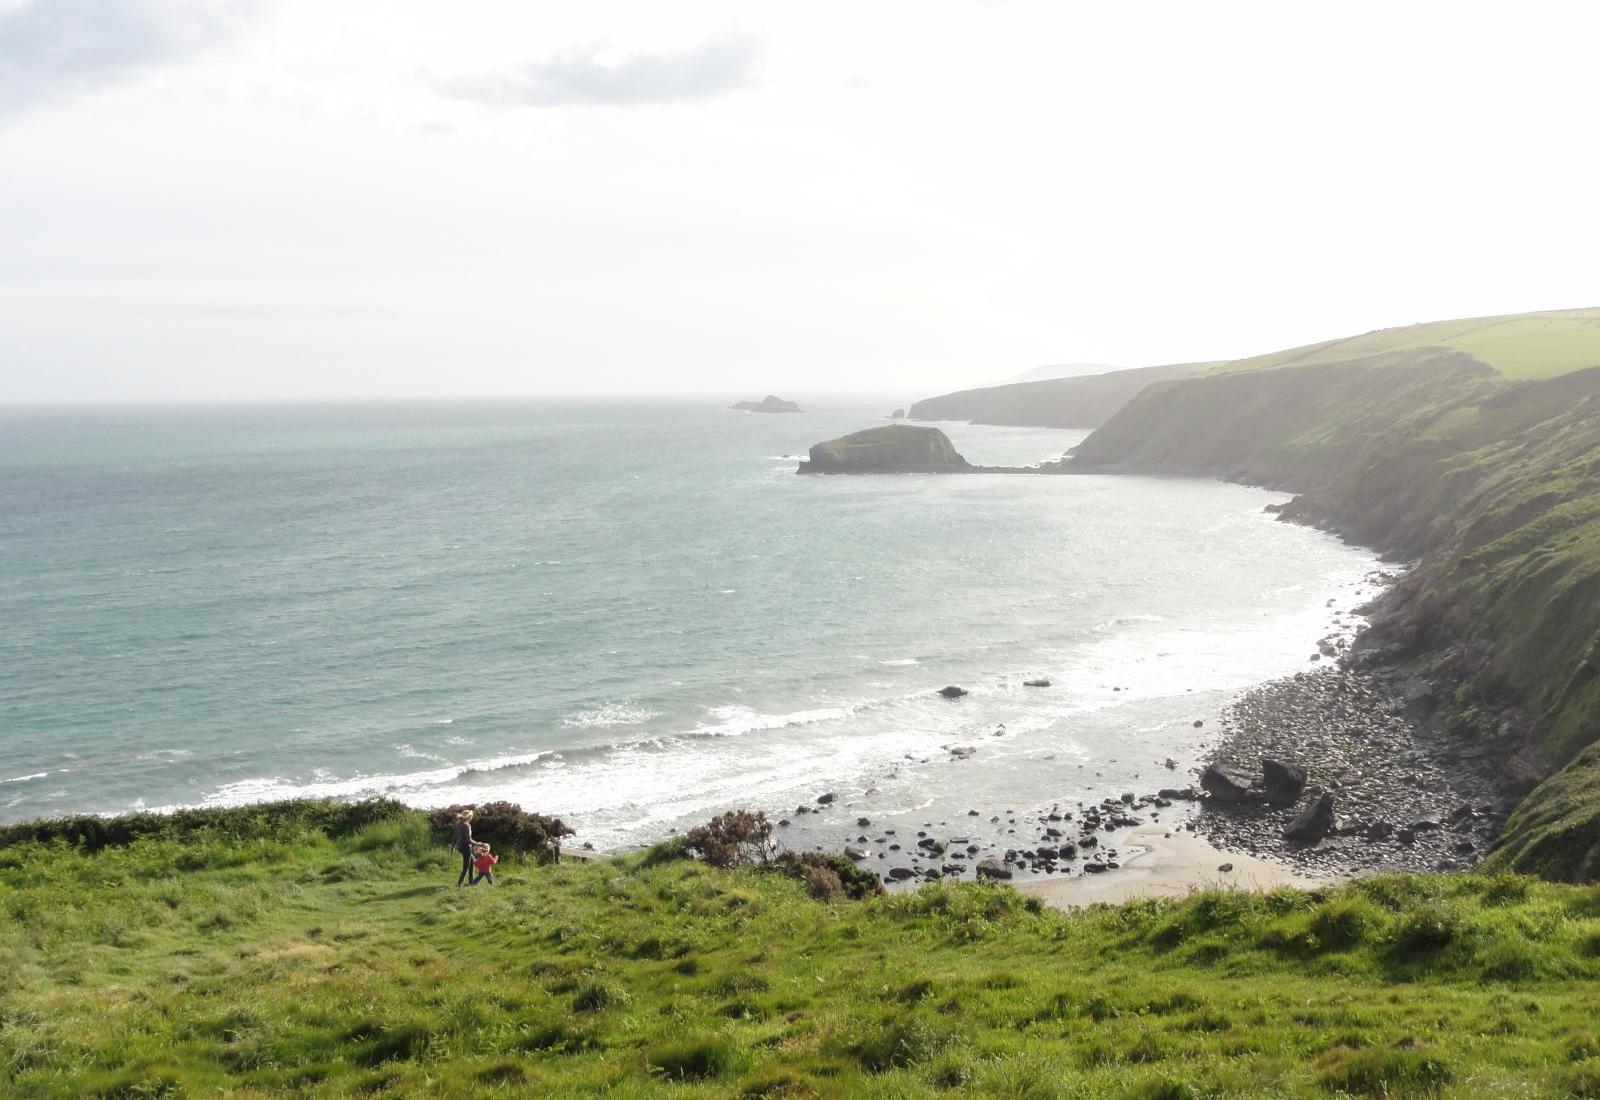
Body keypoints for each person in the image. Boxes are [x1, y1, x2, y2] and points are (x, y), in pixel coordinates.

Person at [452, 808, 475, 887]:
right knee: (466, 867)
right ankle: (459, 883)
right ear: (469, 817)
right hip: (466, 847)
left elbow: (455, 836)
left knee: (472, 860)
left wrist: (452, 847)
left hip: (459, 846)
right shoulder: (467, 826)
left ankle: (471, 881)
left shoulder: (458, 824)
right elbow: (469, 840)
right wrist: (479, 844)